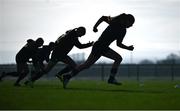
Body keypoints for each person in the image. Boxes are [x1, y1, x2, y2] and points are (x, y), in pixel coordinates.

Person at [60, 13, 135, 88]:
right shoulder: (115, 23)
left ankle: (67, 76)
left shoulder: (122, 29)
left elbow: (119, 44)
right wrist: (95, 27)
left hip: (99, 46)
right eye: (131, 23)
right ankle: (111, 78)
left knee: (86, 65)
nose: (131, 25)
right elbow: (103, 18)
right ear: (126, 20)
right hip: (101, 46)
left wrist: (128, 48)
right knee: (118, 58)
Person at [27, 26, 94, 86]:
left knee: (47, 70)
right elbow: (80, 46)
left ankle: (32, 80)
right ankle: (59, 74)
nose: (81, 36)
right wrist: (89, 44)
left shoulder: (70, 33)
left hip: (58, 53)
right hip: (59, 54)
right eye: (81, 35)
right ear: (79, 31)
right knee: (73, 66)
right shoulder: (73, 36)